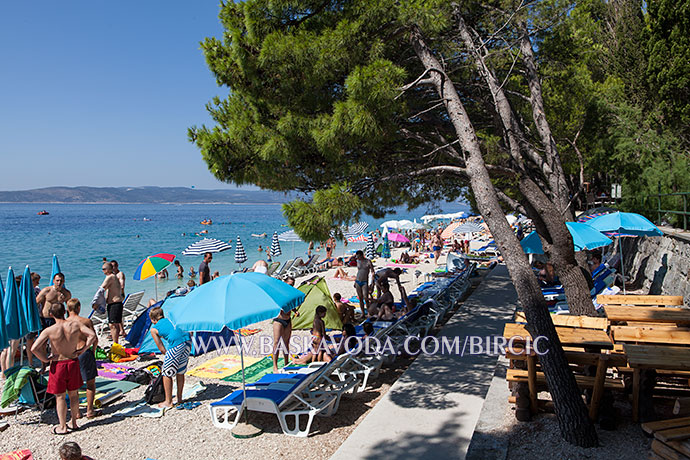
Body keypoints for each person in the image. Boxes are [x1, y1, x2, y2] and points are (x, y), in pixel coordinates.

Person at [31, 303, 97, 435]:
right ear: (65, 311)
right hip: (72, 361)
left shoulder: (49, 330)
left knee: (60, 397)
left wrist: (45, 359)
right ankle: (73, 423)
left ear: (51, 315)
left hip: (58, 364)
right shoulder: (75, 325)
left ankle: (63, 426)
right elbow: (92, 335)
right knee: (73, 394)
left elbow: (34, 348)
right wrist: (83, 349)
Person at [149, 307, 192, 408]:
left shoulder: (154, 329)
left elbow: (161, 349)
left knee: (166, 372)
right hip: (188, 342)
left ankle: (168, 401)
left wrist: (168, 355)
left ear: (153, 320)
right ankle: (180, 399)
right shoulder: (171, 319)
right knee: (180, 371)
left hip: (176, 344)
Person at [66, 299, 100, 419]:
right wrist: (93, 350)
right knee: (90, 383)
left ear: (67, 309)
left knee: (73, 386)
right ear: (79, 308)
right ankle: (90, 411)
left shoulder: (64, 323)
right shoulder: (85, 321)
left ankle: (77, 413)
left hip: (70, 354)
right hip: (84, 352)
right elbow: (94, 338)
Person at [101, 262, 124, 344]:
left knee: (113, 325)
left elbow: (102, 288)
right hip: (113, 303)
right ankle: (116, 343)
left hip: (115, 303)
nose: (102, 271)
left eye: (103, 269)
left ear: (108, 270)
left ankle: (115, 344)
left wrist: (96, 301)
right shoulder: (113, 277)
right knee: (113, 324)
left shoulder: (110, 277)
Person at [272, 308, 293, 372]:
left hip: (288, 320)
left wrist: (295, 311)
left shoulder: (289, 299)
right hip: (279, 320)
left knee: (286, 343)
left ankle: (286, 363)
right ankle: (275, 366)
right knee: (277, 343)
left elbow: (291, 305)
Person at [353, 250, 373, 317]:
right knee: (360, 298)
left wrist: (372, 283)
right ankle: (363, 313)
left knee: (366, 298)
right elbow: (358, 272)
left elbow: (372, 272)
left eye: (358, 256)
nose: (357, 258)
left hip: (365, 282)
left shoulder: (368, 262)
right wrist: (355, 281)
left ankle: (369, 312)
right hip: (358, 281)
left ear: (362, 255)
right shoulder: (358, 261)